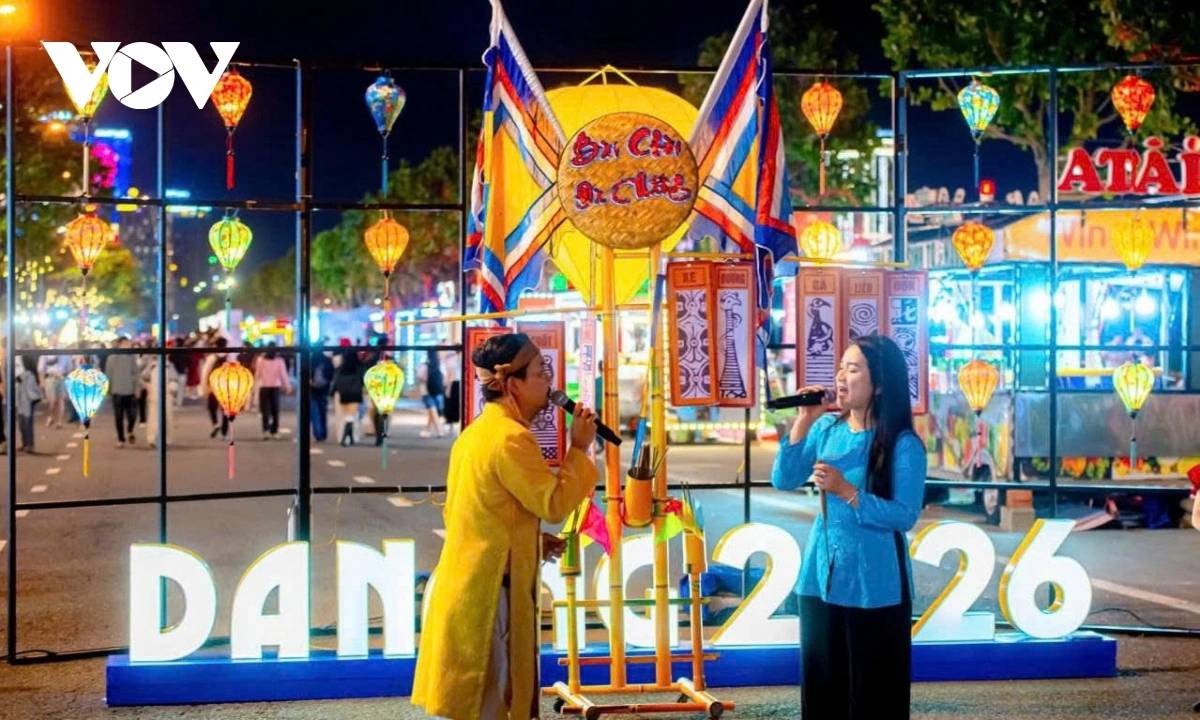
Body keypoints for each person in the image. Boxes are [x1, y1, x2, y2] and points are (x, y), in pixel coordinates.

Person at [412, 333, 598, 720]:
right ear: (512, 384)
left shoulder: (477, 434)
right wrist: (578, 449)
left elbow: (477, 514)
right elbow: (553, 503)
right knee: (492, 704)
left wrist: (528, 538)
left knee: (482, 704)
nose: (549, 383)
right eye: (540, 372)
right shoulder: (511, 439)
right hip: (487, 597)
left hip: (470, 585)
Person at [770, 334, 926, 719]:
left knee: (873, 695)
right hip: (820, 577)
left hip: (876, 585)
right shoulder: (826, 429)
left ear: (880, 383)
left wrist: (846, 491)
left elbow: (904, 515)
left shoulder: (903, 445)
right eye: (840, 367)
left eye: (853, 369)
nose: (841, 377)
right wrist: (803, 421)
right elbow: (784, 478)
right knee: (823, 690)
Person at [104, 336, 141, 448]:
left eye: (128, 343)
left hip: (130, 390)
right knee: (118, 416)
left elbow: (136, 374)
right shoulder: (112, 358)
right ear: (119, 344)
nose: (128, 345)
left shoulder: (132, 358)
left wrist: (137, 389)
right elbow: (108, 375)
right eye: (125, 343)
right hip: (117, 391)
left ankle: (130, 430)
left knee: (132, 414)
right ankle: (121, 438)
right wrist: (108, 390)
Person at [255, 343, 292, 440]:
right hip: (275, 387)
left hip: (264, 387)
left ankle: (265, 430)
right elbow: (283, 375)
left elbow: (257, 374)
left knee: (265, 410)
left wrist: (254, 387)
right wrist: (287, 387)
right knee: (275, 410)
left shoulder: (260, 360)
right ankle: (274, 431)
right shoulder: (279, 361)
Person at [331, 349, 364, 446]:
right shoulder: (359, 367)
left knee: (344, 416)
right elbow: (362, 380)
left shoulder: (341, 368)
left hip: (343, 393)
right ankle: (347, 437)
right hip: (355, 394)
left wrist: (332, 392)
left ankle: (348, 437)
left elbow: (336, 381)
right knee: (351, 416)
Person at [200, 337, 231, 439]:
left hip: (213, 387)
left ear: (216, 345)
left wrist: (204, 387)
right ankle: (224, 433)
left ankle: (215, 424)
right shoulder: (229, 357)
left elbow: (205, 373)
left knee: (211, 408)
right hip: (226, 387)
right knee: (225, 410)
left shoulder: (212, 357)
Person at [15, 355, 41, 453]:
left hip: (27, 396)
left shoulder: (28, 373)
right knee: (21, 420)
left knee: (27, 419)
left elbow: (31, 381)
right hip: (20, 394)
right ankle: (25, 443)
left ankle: (29, 445)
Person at [419, 349, 446, 438]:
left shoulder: (424, 365)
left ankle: (440, 431)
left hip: (426, 391)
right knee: (431, 412)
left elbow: (421, 377)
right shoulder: (439, 364)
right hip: (437, 390)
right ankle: (427, 430)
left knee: (433, 411)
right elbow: (444, 376)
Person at [38, 352, 70, 429]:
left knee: (61, 400)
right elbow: (41, 368)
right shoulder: (46, 353)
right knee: (52, 401)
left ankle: (59, 422)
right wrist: (41, 381)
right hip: (50, 378)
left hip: (61, 377)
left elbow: (69, 368)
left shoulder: (64, 354)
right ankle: (51, 416)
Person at [309, 348, 334, 442]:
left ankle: (318, 433)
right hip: (324, 389)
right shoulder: (327, 360)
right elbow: (331, 374)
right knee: (323, 412)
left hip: (312, 389)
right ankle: (323, 433)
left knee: (315, 413)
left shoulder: (310, 360)